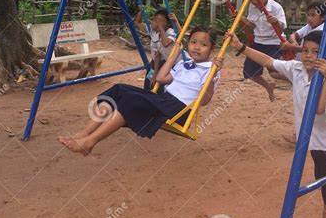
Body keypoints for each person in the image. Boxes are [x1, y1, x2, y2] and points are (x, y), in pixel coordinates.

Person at [227, 29, 326, 218]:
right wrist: (240, 47)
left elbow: (318, 109)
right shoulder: (297, 69)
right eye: (305, 50)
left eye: (316, 52)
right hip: (316, 143)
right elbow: (268, 60)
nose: (308, 56)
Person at [58, 26, 222, 156]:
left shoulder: (210, 70)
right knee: (118, 90)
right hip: (163, 100)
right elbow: (160, 79)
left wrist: (214, 72)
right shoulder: (183, 64)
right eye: (193, 42)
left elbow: (204, 100)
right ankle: (85, 133)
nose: (197, 47)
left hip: (179, 110)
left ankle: (90, 142)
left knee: (131, 100)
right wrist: (173, 57)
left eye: (203, 44)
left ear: (212, 49)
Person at [239, 0, 286, 101]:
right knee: (249, 73)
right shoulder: (252, 6)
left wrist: (276, 22)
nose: (254, 1)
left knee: (274, 72)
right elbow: (252, 25)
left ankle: (296, 77)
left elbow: (281, 30)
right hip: (258, 42)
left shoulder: (276, 8)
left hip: (273, 43)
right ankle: (268, 86)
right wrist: (241, 18)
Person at [135, 7, 181, 90]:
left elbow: (166, 43)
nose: (157, 22)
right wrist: (141, 12)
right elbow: (138, 23)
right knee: (149, 83)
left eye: (161, 21)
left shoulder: (170, 31)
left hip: (167, 63)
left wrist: (162, 27)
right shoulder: (153, 31)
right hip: (155, 62)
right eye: (155, 20)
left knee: (161, 86)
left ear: (167, 24)